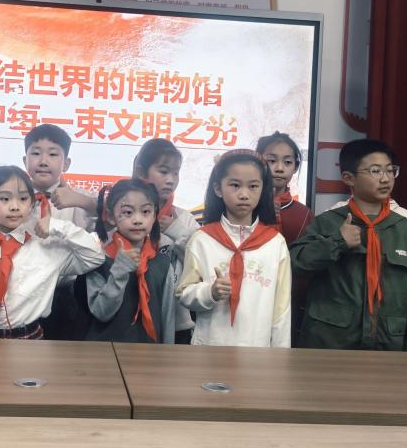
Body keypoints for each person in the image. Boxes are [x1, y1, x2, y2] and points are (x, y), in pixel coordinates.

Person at [291, 139, 407, 351]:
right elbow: (295, 263)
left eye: (390, 170)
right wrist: (337, 242)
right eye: (375, 171)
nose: (385, 178)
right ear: (348, 178)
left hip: (389, 342)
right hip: (331, 341)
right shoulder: (328, 222)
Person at [0, 166, 104, 339]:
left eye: (23, 198)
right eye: (4, 199)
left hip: (29, 339)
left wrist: (58, 226)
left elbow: (95, 256)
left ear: (31, 204)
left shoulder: (47, 250)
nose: (15, 207)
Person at [178, 149, 291, 347]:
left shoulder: (275, 243)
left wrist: (280, 355)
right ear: (218, 189)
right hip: (209, 347)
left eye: (253, 186)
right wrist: (209, 292)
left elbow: (282, 310)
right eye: (235, 185)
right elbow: (184, 294)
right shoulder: (202, 240)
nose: (244, 194)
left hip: (257, 350)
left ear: (262, 189)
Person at [22, 123, 98, 339]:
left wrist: (82, 201)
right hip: (21, 292)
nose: (43, 161)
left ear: (66, 163)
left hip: (65, 295)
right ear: (25, 160)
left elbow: (112, 216)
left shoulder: (79, 197)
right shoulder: (14, 197)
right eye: (35, 153)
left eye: (53, 154)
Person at [86, 179, 175, 343]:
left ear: (155, 215)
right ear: (111, 216)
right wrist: (119, 271)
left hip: (148, 353)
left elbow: (167, 319)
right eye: (128, 212)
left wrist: (167, 353)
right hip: (104, 351)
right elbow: (101, 313)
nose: (137, 220)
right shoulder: (98, 261)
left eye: (146, 211)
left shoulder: (162, 264)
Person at [133, 138, 199, 343]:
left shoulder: (184, 219)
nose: (171, 180)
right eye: (163, 171)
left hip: (177, 322)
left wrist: (175, 230)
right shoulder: (125, 215)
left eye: (176, 172)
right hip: (131, 316)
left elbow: (201, 261)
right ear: (141, 172)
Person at [256, 131, 314, 346]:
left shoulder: (303, 213)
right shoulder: (244, 206)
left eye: (287, 162)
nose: (279, 168)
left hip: (288, 300)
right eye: (271, 161)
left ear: (296, 167)